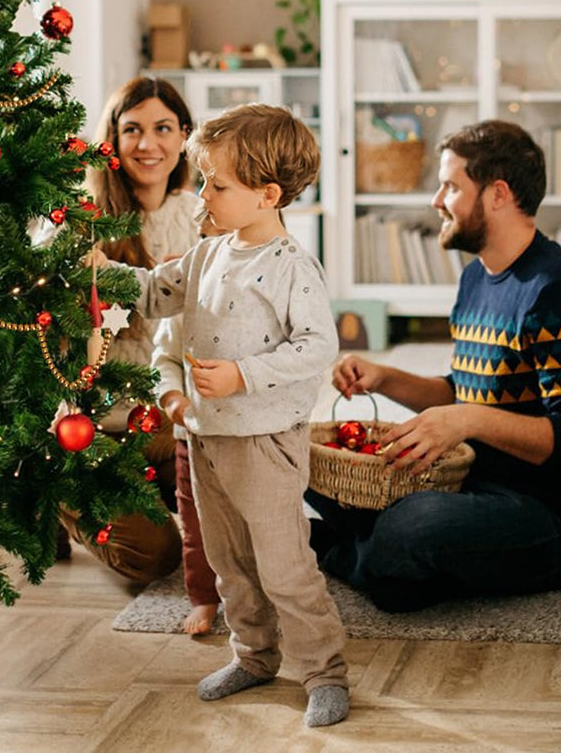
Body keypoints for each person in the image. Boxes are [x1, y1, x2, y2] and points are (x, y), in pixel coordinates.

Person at [94, 103, 350, 729]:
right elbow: (156, 291)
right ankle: (255, 655)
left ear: (268, 194)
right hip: (206, 439)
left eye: (217, 184)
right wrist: (102, 274)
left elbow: (317, 346)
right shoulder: (209, 254)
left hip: (264, 441)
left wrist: (242, 375)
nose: (203, 193)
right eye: (204, 179)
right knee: (228, 560)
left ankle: (325, 672)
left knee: (284, 567)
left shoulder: (293, 267)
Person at [307, 120, 561, 612]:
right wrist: (385, 377)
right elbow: (466, 389)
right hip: (469, 480)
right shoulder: (476, 278)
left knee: (408, 527)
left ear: (497, 194)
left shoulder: (560, 290)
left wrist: (468, 420)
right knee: (307, 466)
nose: (436, 200)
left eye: (451, 186)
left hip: (541, 511)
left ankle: (337, 550)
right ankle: (377, 557)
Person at [74, 77, 220, 628]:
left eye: (163, 128)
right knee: (153, 557)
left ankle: (155, 487)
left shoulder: (201, 213)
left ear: (184, 136)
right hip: (96, 426)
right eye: (132, 129)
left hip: (170, 419)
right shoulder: (83, 214)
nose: (148, 144)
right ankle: (64, 502)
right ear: (112, 137)